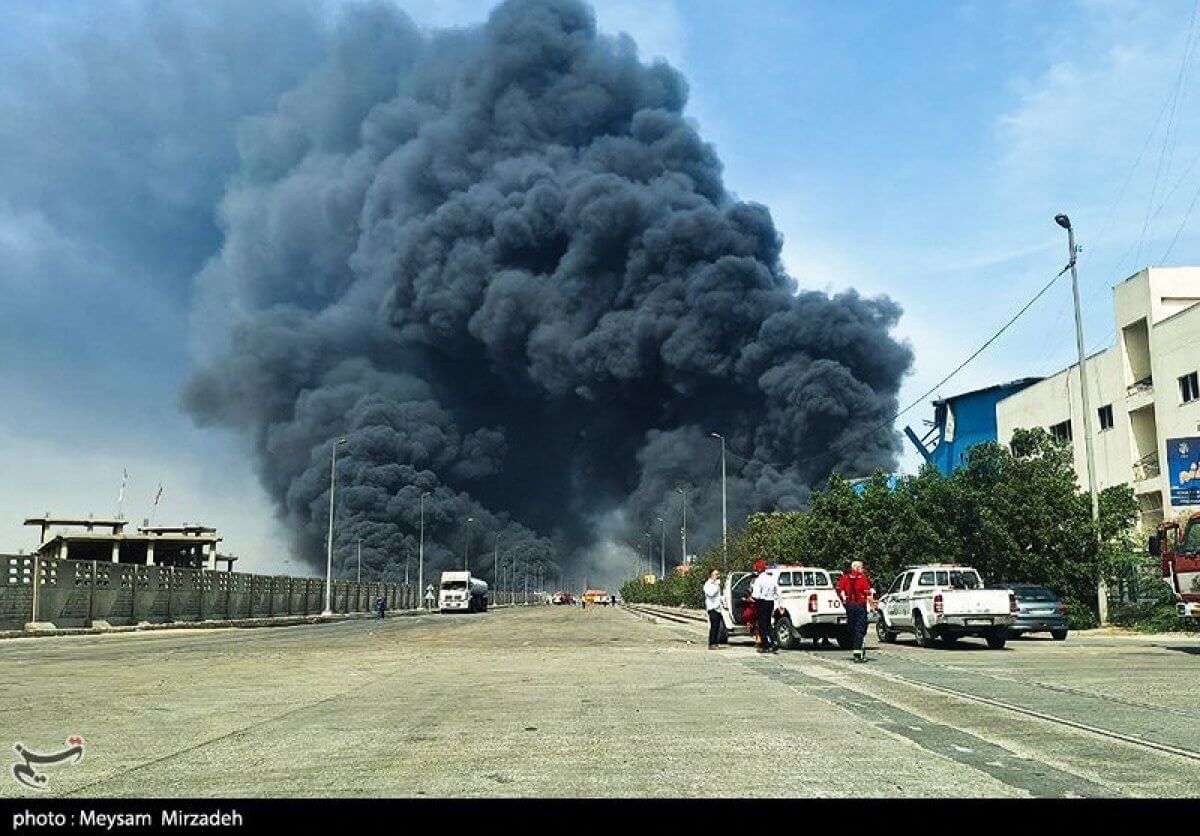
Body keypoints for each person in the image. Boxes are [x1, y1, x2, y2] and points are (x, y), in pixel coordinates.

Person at [836, 560, 875, 663]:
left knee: (852, 628)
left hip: (849, 605)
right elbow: (868, 593)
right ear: (857, 568)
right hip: (860, 605)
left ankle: (856, 648)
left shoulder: (845, 577)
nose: (863, 570)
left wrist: (843, 600)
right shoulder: (862, 578)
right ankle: (858, 653)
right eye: (861, 568)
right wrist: (872, 606)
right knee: (860, 628)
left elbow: (838, 589)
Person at [750, 559, 779, 653]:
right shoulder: (771, 578)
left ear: (758, 569)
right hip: (771, 602)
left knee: (762, 625)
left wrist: (751, 598)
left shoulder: (759, 580)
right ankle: (774, 642)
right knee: (768, 624)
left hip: (762, 602)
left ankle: (765, 645)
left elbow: (756, 595)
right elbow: (776, 591)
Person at [703, 569, 725, 650]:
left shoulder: (716, 584)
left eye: (718, 574)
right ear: (711, 575)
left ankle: (715, 642)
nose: (718, 576)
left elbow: (718, 597)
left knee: (718, 626)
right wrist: (716, 587)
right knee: (713, 626)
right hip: (712, 608)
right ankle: (712, 643)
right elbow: (711, 594)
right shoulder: (708, 584)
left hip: (718, 607)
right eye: (716, 574)